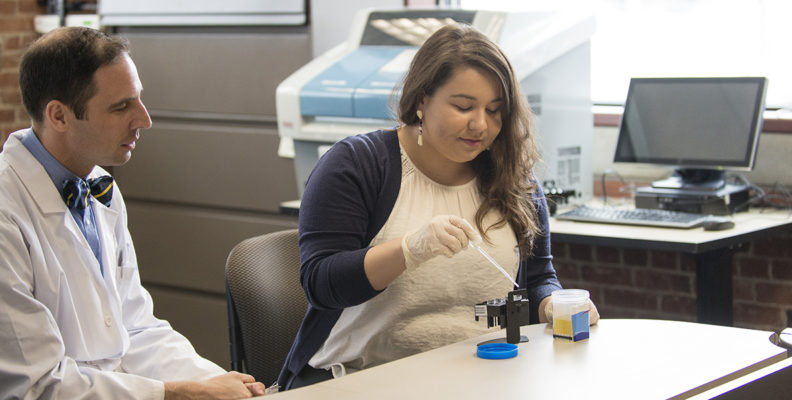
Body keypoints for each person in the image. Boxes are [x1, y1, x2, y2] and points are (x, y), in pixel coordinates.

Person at [278, 23, 600, 390]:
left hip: (482, 378)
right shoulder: (356, 165)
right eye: (463, 107)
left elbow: (539, 279)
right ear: (422, 99)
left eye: (495, 111)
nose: (480, 125)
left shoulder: (515, 182)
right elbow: (322, 284)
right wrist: (408, 250)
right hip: (361, 379)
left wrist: (554, 305)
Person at [0, 27, 266, 399]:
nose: (144, 119)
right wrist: (178, 393)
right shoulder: (6, 214)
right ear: (59, 116)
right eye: (121, 106)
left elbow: (136, 330)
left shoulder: (99, 187)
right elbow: (37, 385)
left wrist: (220, 383)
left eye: (139, 100)